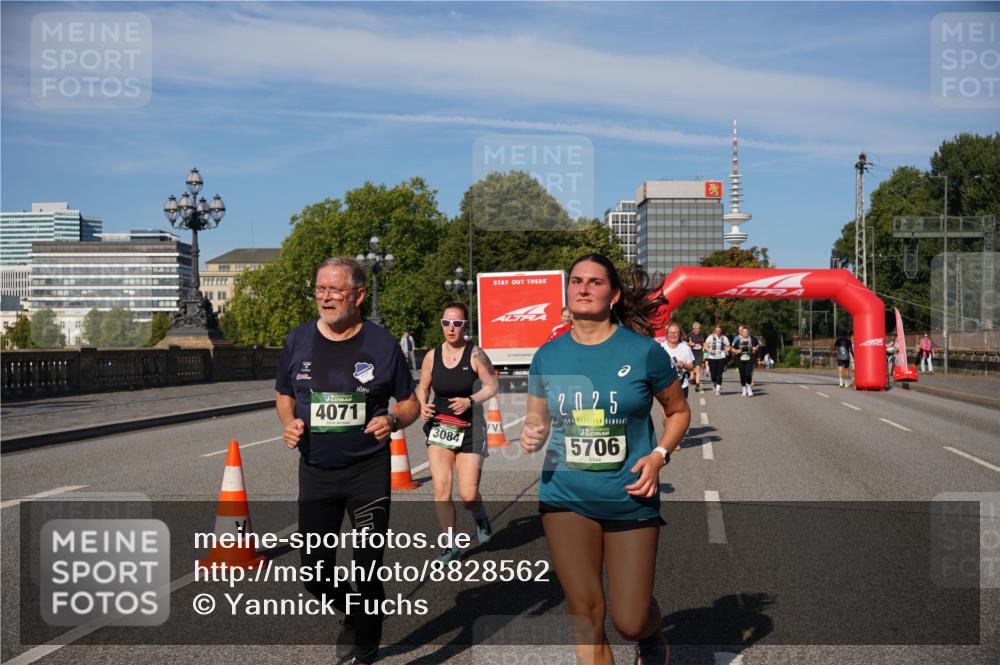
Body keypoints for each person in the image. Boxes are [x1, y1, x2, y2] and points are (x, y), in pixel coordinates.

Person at [521, 253, 690, 665]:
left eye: (594, 282)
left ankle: (650, 632)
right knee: (586, 616)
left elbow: (678, 411)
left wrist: (659, 456)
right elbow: (536, 419)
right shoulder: (547, 356)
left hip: (629, 495)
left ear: (613, 295)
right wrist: (531, 433)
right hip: (565, 495)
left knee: (630, 620)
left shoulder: (644, 352)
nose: (583, 288)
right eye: (576, 280)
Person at [275, 256, 420, 665]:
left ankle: (366, 650)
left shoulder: (381, 344)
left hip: (367, 472)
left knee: (367, 569)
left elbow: (410, 403)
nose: (325, 297)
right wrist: (289, 422)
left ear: (357, 295)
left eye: (335, 290)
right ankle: (355, 613)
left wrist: (392, 420)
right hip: (316, 472)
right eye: (320, 289)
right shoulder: (298, 340)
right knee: (314, 575)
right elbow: (284, 394)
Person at [416, 301, 500, 563]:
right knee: (441, 489)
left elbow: (492, 386)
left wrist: (470, 401)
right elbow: (423, 387)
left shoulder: (476, 354)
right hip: (440, 427)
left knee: (468, 495)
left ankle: (479, 516)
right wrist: (422, 405)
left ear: (465, 326)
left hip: (470, 428)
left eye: (457, 323)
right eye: (446, 323)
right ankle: (450, 546)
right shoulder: (432, 356)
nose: (451, 328)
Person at [662, 323, 696, 400]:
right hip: (665, 386)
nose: (673, 335)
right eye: (671, 332)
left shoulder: (685, 348)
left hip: (682, 386)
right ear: (667, 334)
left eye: (675, 333)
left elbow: (691, 366)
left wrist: (684, 365)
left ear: (680, 334)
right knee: (668, 407)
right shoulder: (661, 348)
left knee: (681, 408)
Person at [731, 325, 759, 397]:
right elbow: (732, 348)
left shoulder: (752, 339)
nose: (745, 333)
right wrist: (737, 351)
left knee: (748, 374)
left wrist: (755, 348)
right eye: (743, 332)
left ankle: (749, 388)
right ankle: (744, 389)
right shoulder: (738, 340)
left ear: (748, 332)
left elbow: (757, 345)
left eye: (746, 332)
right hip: (740, 359)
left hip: (750, 358)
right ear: (741, 333)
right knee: (742, 374)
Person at [704, 325, 730, 395]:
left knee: (719, 373)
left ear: (721, 331)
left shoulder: (724, 338)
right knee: (713, 375)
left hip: (721, 357)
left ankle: (718, 389)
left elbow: (728, 346)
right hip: (712, 357)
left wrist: (726, 350)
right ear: (715, 331)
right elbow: (705, 345)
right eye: (717, 331)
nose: (718, 332)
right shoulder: (710, 337)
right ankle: (714, 383)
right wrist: (710, 350)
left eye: (719, 331)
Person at [684, 322, 706, 392]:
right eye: (696, 328)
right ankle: (692, 377)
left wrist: (705, 353)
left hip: (699, 354)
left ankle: (697, 385)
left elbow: (705, 343)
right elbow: (685, 342)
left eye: (698, 328)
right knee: (692, 369)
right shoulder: (690, 334)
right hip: (691, 354)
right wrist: (690, 344)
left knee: (698, 369)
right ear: (693, 329)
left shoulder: (702, 335)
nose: (697, 330)